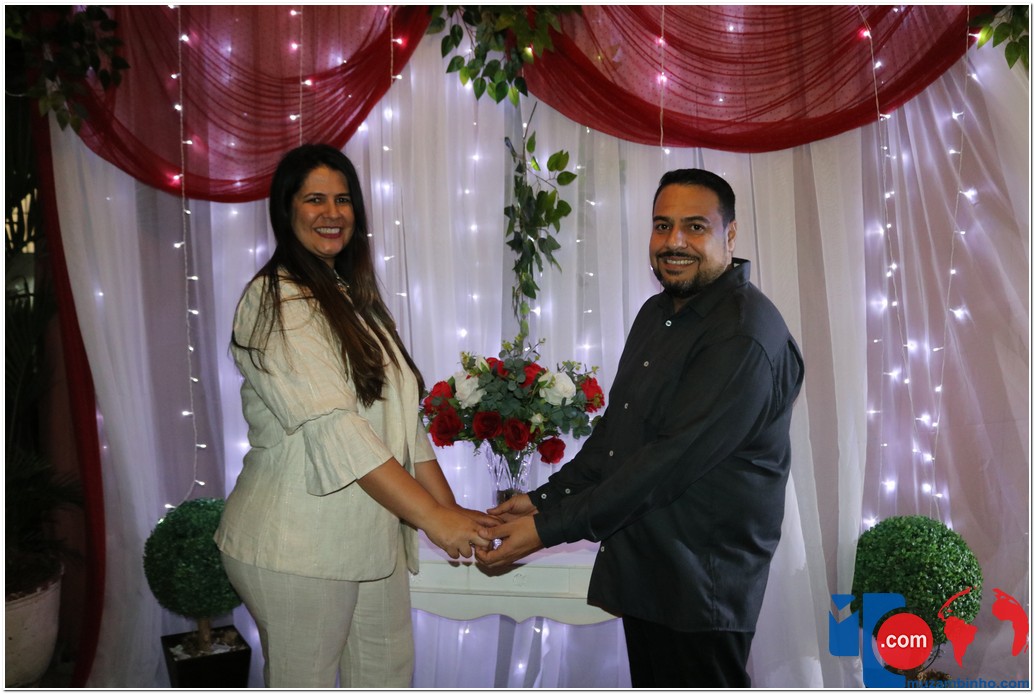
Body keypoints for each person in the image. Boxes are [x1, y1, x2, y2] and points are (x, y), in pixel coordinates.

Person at [475, 168, 805, 688]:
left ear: (730, 235)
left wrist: (546, 530)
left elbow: (667, 462)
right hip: (650, 569)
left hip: (700, 586)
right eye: (662, 225)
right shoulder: (659, 313)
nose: (674, 241)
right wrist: (543, 499)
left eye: (695, 226)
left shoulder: (741, 334)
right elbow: (620, 435)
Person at [215, 143, 494, 688]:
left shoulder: (351, 297)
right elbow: (337, 428)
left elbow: (405, 430)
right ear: (286, 210)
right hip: (297, 545)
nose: (332, 212)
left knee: (388, 676)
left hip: (370, 538)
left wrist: (453, 513)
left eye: (343, 200)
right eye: (314, 199)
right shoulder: (274, 301)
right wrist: (433, 519)